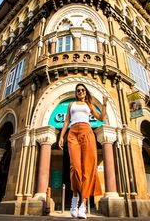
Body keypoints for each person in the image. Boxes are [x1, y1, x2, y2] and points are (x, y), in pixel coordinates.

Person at [59, 83, 108, 219]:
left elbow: (101, 118)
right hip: (73, 133)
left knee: (88, 168)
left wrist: (104, 104)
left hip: (87, 133)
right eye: (78, 90)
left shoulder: (89, 105)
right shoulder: (71, 105)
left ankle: (83, 204)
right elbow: (66, 121)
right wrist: (62, 136)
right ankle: (75, 198)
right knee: (75, 167)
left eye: (82, 90)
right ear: (76, 93)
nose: (80, 92)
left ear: (85, 92)